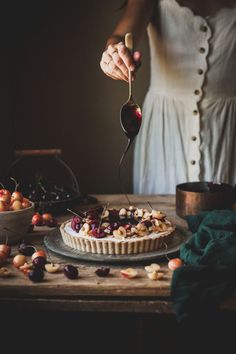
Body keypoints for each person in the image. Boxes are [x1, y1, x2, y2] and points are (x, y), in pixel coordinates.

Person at [100, 0, 236, 194]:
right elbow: (121, 35)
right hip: (165, 127)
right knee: (158, 220)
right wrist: (114, 52)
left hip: (228, 130)